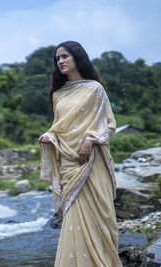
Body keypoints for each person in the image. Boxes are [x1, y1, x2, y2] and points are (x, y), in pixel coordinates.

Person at [38, 41, 122, 267]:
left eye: (65, 56)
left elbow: (109, 124)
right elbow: (60, 127)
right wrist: (50, 136)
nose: (61, 61)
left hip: (91, 162)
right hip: (67, 163)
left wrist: (90, 139)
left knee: (100, 217)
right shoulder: (58, 94)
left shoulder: (95, 89)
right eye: (58, 59)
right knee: (73, 218)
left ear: (77, 57)